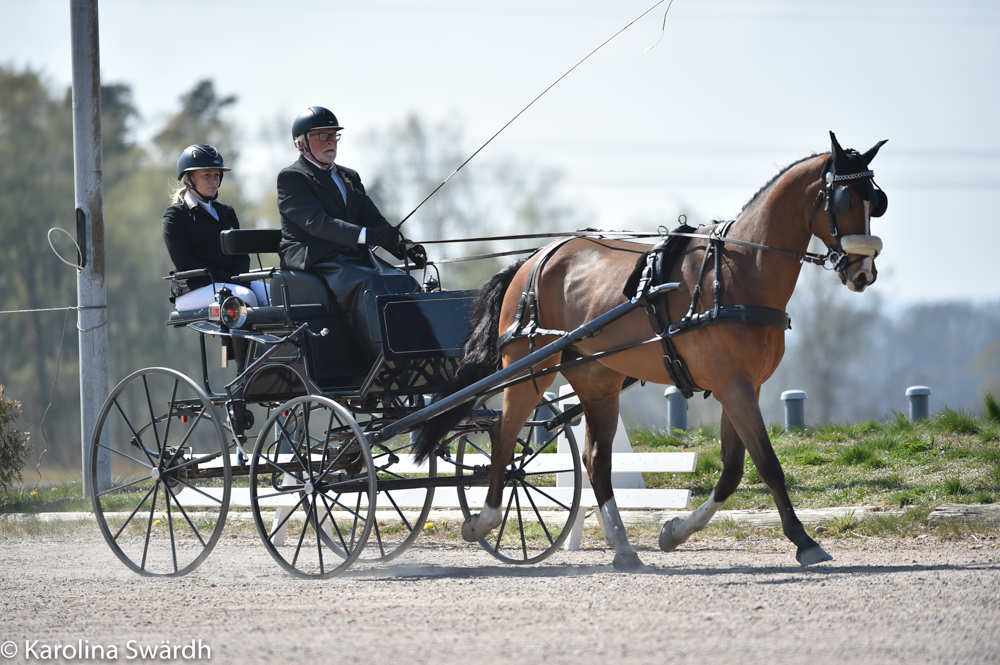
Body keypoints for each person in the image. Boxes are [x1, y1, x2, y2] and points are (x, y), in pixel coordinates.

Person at [277, 106, 426, 357]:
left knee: (404, 281)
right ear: (301, 143)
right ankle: (383, 355)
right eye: (322, 136)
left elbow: (374, 219)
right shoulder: (292, 177)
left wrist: (402, 246)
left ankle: (422, 348)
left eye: (334, 135)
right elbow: (318, 223)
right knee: (371, 284)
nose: (331, 142)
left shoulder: (349, 176)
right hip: (317, 258)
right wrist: (366, 236)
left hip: (352, 256)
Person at [162, 144, 268, 311]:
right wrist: (225, 278)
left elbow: (241, 254)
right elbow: (184, 262)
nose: (214, 180)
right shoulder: (175, 215)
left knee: (276, 294)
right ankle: (240, 337)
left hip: (230, 283)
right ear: (188, 179)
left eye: (217, 175)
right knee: (244, 296)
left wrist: (238, 277)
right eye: (206, 175)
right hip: (193, 288)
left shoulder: (226, 212)